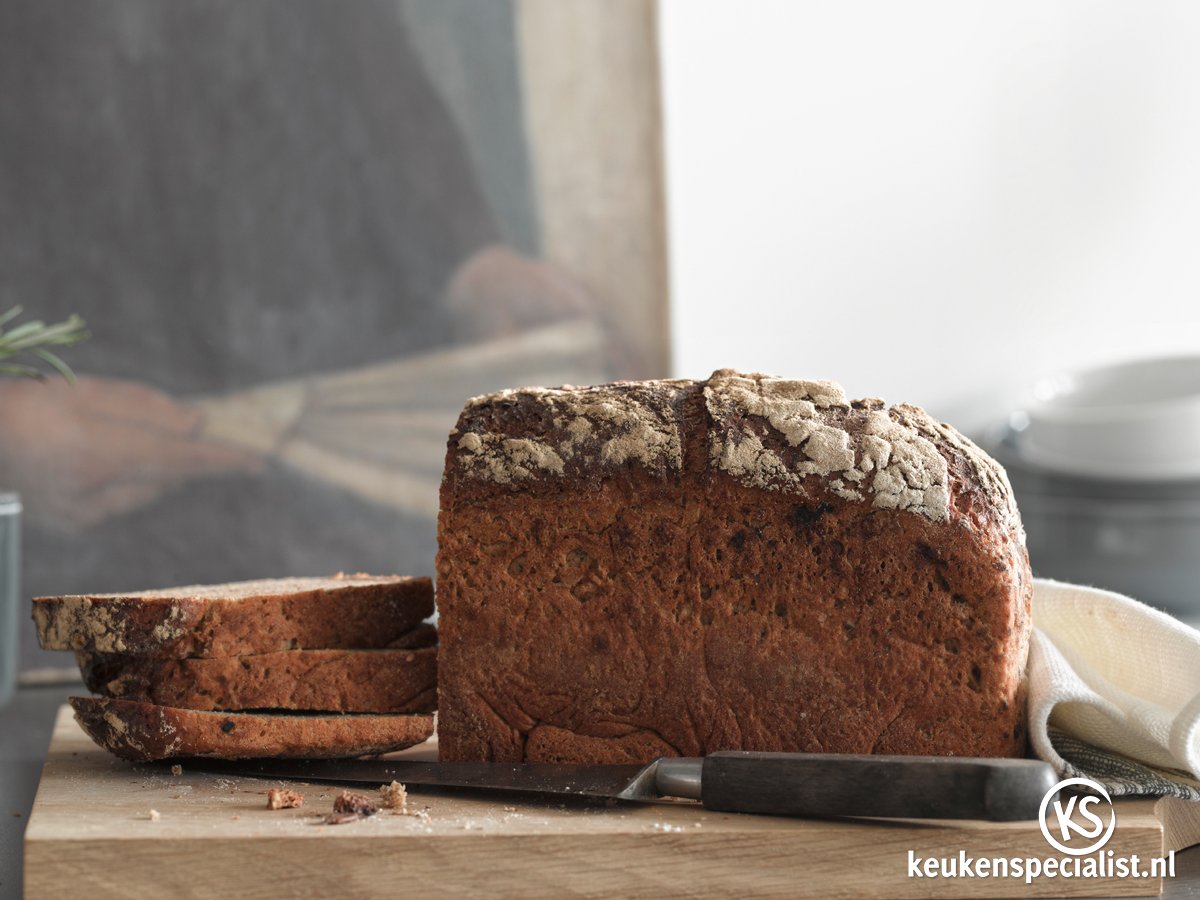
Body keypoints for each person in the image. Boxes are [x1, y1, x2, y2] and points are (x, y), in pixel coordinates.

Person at [0, 1, 602, 667]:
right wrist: (6, 430)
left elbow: (357, 57)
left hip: (333, 483)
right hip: (65, 531)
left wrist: (469, 263)